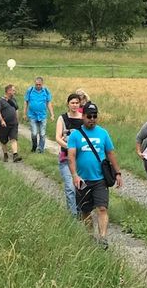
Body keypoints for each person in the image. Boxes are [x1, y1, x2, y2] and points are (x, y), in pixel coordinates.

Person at [67, 102, 122, 246]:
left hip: (100, 179)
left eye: (95, 116)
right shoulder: (75, 135)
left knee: (102, 208)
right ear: (83, 116)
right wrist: (74, 175)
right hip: (82, 180)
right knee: (85, 211)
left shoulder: (103, 133)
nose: (92, 119)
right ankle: (90, 235)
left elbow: (110, 153)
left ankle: (103, 238)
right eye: (89, 116)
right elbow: (71, 156)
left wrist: (118, 172)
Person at [56, 92, 84, 215]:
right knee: (70, 187)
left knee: (81, 187)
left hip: (81, 158)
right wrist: (69, 147)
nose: (74, 105)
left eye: (77, 103)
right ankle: (72, 216)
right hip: (66, 158)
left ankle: (81, 211)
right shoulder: (62, 118)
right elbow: (57, 137)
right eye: (72, 103)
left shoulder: (84, 118)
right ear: (68, 104)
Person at [24, 76, 54, 153]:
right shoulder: (30, 90)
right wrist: (24, 113)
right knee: (34, 133)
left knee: (42, 134)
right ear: (35, 83)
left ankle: (41, 149)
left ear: (42, 84)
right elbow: (26, 102)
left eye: (39, 84)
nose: (38, 86)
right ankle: (34, 146)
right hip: (32, 115)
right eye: (36, 84)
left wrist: (52, 114)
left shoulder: (46, 91)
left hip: (42, 115)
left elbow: (49, 103)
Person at [0, 84, 23, 162]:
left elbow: (16, 109)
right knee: (3, 140)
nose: (14, 92)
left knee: (13, 138)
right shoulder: (1, 101)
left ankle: (15, 155)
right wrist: (2, 121)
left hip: (13, 124)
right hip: (4, 124)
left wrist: (17, 120)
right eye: (13, 90)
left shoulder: (14, 100)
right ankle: (5, 154)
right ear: (8, 91)